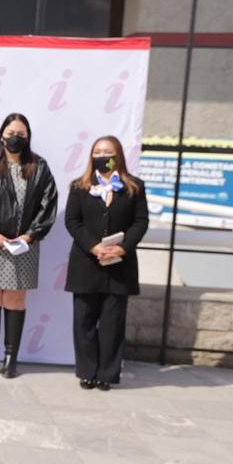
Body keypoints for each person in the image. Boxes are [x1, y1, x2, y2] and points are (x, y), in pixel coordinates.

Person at [0, 112, 58, 379]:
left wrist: (29, 236)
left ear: (28, 137)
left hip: (23, 245)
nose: (15, 138)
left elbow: (48, 205)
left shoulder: (39, 166)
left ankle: (11, 357)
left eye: (21, 134)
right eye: (11, 133)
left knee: (16, 299)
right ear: (1, 135)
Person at [65, 136, 148, 390]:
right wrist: (94, 246)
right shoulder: (79, 186)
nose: (102, 156)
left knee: (112, 322)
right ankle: (87, 371)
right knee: (84, 321)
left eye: (108, 152)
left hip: (120, 265)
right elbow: (72, 221)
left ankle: (107, 374)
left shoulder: (134, 187)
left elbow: (140, 222)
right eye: (98, 152)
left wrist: (122, 248)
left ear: (118, 155)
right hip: (86, 263)